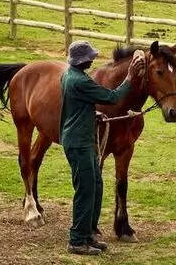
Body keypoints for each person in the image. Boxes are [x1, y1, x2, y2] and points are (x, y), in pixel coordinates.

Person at [60, 40, 145, 256]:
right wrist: (129, 77)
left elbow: (77, 104)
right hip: (79, 142)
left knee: (96, 185)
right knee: (86, 190)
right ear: (83, 61)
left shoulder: (71, 75)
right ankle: (77, 240)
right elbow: (113, 97)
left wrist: (92, 113)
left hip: (84, 139)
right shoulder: (80, 81)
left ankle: (89, 234)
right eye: (90, 57)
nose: (93, 59)